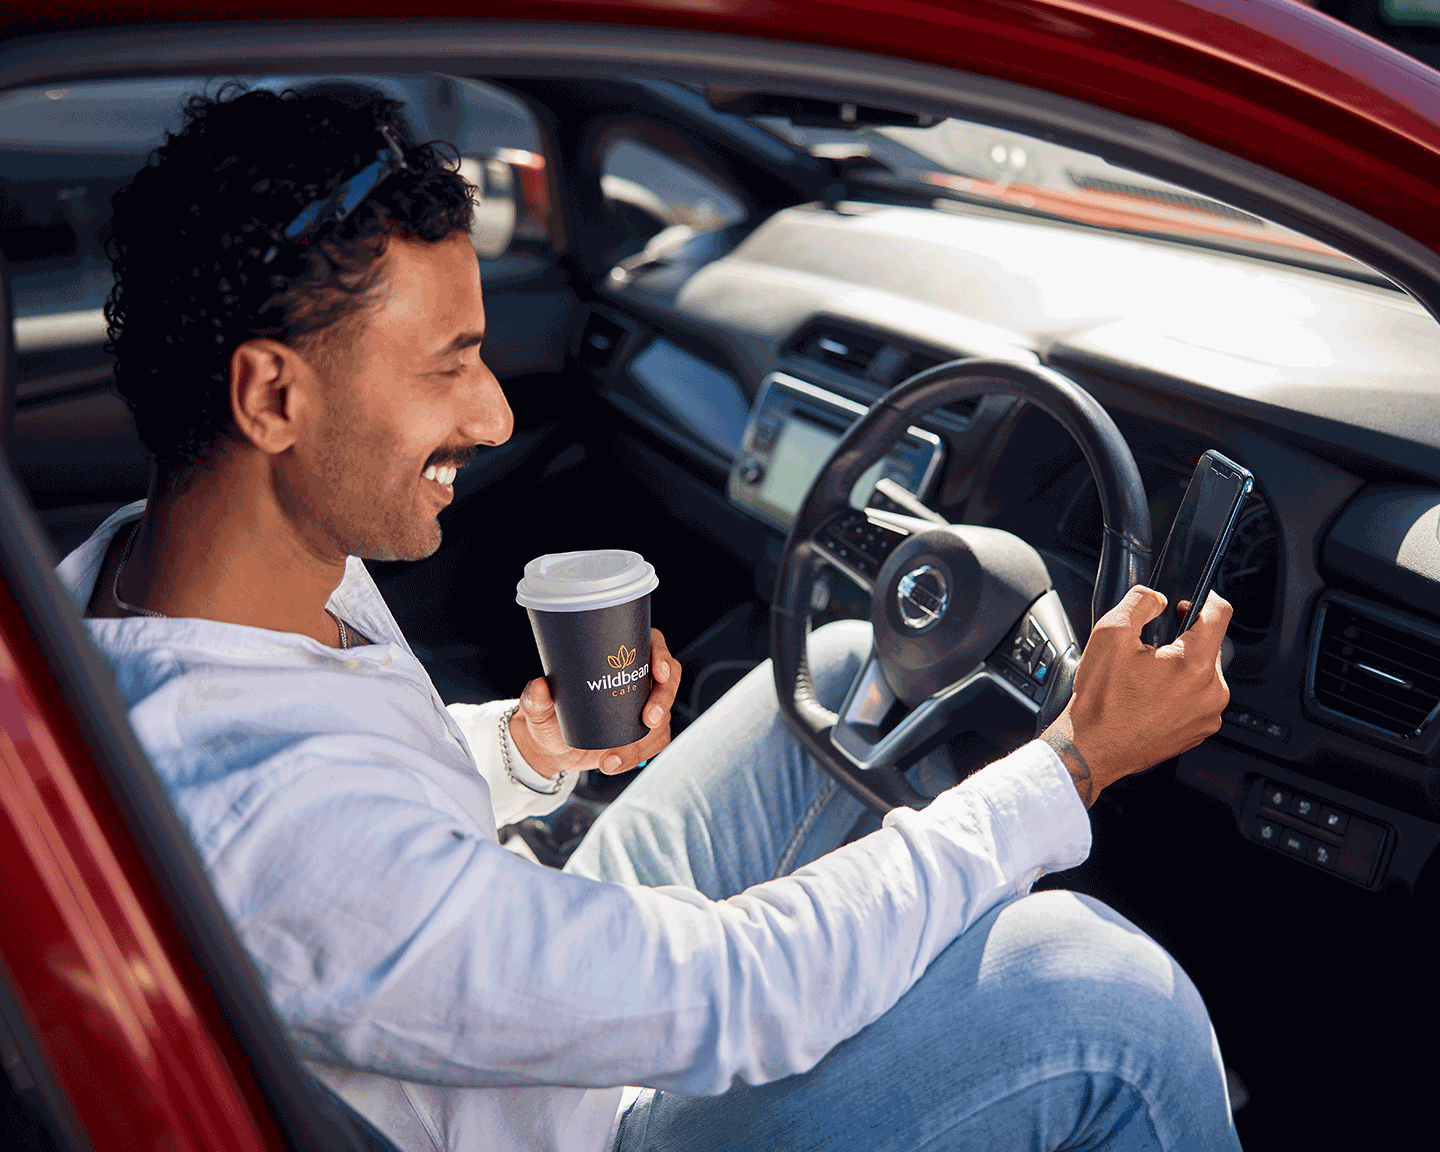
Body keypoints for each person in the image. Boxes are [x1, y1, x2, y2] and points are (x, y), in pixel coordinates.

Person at [58, 83, 1242, 1151]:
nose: (492, 418)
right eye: (446, 366)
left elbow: (366, 815)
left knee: (846, 669)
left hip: (516, 1006)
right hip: (586, 1132)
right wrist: (1073, 764)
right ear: (272, 394)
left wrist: (522, 755)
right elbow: (735, 990)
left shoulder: (137, 581)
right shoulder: (288, 826)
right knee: (1107, 1005)